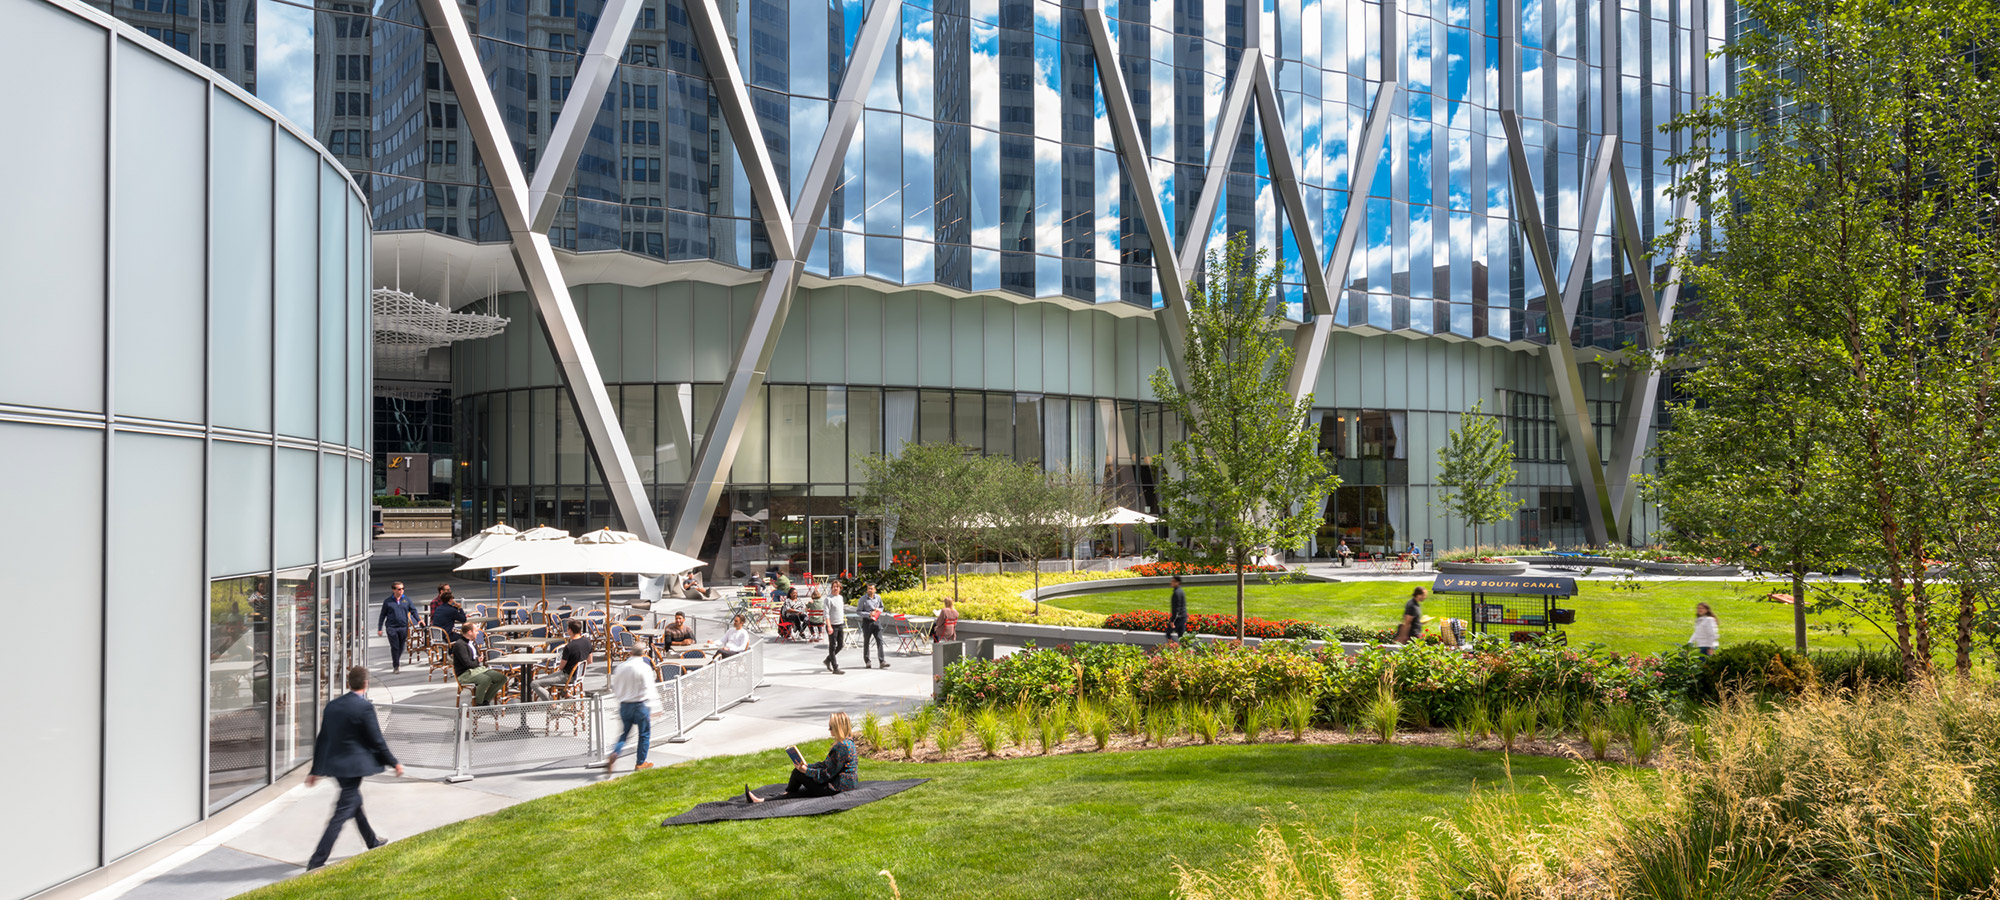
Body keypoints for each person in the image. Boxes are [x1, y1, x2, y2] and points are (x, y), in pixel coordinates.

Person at [306, 666, 403, 870]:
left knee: (354, 803)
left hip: (335, 766)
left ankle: (372, 841)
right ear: (366, 684)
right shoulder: (364, 708)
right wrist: (394, 762)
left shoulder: (332, 706)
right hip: (353, 767)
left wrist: (315, 770)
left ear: (350, 683)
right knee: (341, 813)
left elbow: (322, 739)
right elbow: (377, 740)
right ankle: (316, 861)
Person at [746, 712, 859, 802]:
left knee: (798, 773)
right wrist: (808, 766)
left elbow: (827, 775)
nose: (829, 729)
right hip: (845, 784)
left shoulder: (842, 747)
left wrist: (807, 771)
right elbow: (826, 765)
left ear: (838, 727)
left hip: (837, 787)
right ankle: (780, 796)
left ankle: (782, 795)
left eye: (831, 727)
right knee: (800, 782)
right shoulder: (848, 742)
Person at [603, 645, 656, 772]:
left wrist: (621, 698)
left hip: (625, 704)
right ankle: (640, 762)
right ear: (643, 653)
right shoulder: (644, 667)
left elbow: (615, 687)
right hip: (640, 704)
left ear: (631, 652)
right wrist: (654, 705)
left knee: (625, 733)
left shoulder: (621, 667)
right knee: (644, 734)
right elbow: (649, 688)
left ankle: (615, 752)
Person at [533, 619, 593, 699]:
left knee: (535, 683)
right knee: (549, 678)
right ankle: (566, 695)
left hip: (567, 676)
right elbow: (590, 661)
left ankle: (552, 705)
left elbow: (561, 667)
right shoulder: (587, 642)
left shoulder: (569, 647)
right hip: (578, 676)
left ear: (570, 630)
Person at [450, 622, 507, 706]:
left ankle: (485, 701)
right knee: (485, 679)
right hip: (465, 674)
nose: (477, 633)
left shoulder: (472, 642)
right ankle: (478, 704)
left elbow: (475, 658)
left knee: (502, 678)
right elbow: (467, 663)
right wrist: (477, 661)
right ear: (470, 632)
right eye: (476, 631)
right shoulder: (460, 645)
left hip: (476, 669)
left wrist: (478, 659)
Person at [376, 582, 417, 674]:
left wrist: (419, 620)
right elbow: (382, 615)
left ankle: (396, 659)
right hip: (391, 627)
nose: (401, 590)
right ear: (393, 590)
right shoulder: (388, 602)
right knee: (395, 647)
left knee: (401, 646)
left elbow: (413, 611)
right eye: (399, 589)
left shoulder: (406, 600)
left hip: (403, 626)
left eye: (402, 588)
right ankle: (396, 665)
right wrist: (379, 628)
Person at [856, 584, 889, 668]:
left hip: (876, 621)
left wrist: (878, 610)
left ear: (875, 590)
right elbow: (858, 612)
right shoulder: (862, 599)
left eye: (871, 589)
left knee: (880, 640)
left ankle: (882, 661)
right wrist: (869, 614)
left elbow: (882, 607)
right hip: (867, 622)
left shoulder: (878, 598)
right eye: (868, 589)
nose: (870, 590)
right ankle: (867, 661)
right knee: (866, 641)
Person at [823, 587, 847, 674]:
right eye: (834, 586)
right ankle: (835, 667)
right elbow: (826, 614)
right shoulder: (828, 599)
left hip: (840, 624)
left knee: (840, 645)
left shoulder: (840, 598)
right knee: (832, 646)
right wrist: (829, 626)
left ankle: (828, 659)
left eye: (837, 587)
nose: (835, 588)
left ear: (840, 588)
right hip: (832, 625)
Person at [1166, 575, 1189, 643]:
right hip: (1182, 616)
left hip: (1179, 618)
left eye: (1173, 581)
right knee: (1181, 635)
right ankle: (1184, 649)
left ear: (1178, 582)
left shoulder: (1177, 593)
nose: (1171, 583)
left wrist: (1172, 621)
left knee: (1168, 633)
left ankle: (1175, 647)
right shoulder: (1180, 591)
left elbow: (1177, 608)